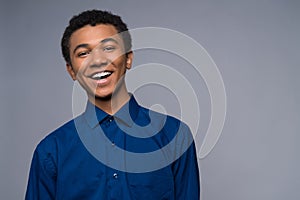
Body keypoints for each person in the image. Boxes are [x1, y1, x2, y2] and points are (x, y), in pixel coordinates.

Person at [25, 9, 200, 200]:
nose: (98, 61)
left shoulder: (175, 136)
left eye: (108, 48)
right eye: (83, 53)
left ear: (128, 58)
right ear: (72, 71)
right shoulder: (51, 151)